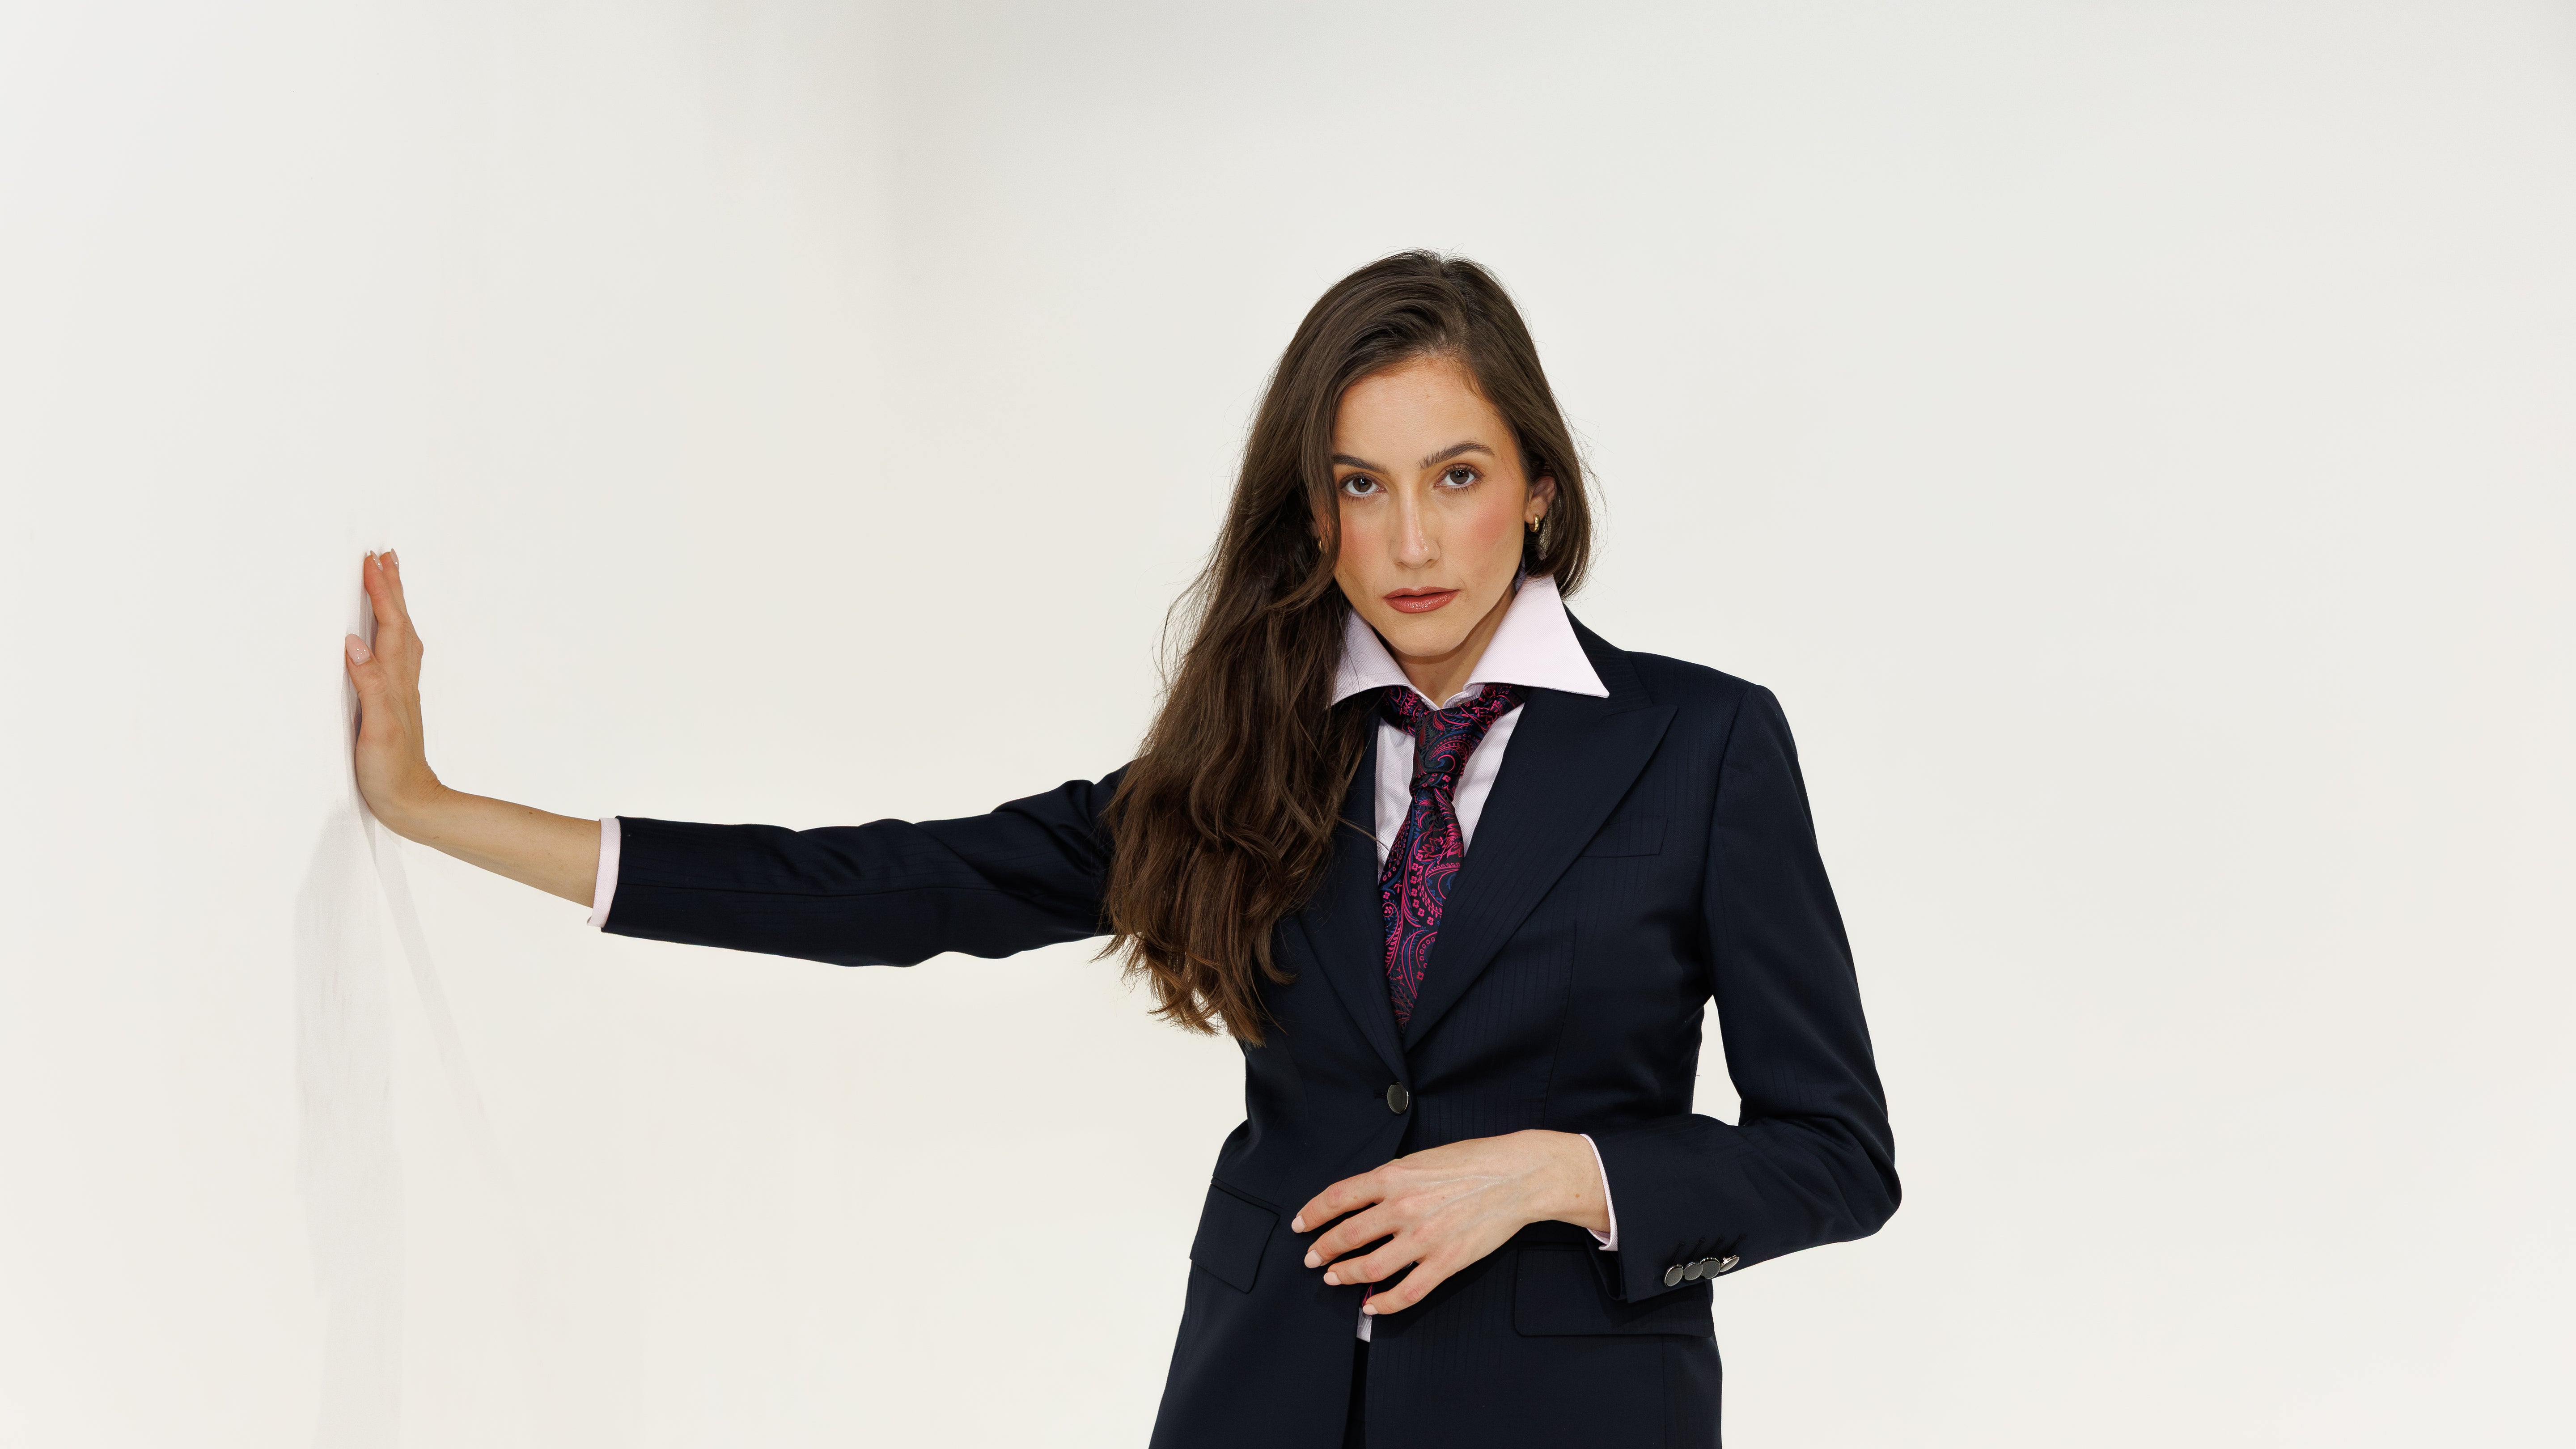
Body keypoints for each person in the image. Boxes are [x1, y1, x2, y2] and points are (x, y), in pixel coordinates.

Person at [343, 251, 1897, 1449]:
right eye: (1362, 487)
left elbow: (1837, 1155)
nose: (1413, 543)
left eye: (1459, 477)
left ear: (1538, 491)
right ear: (1315, 516)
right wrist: (434, 805)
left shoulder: (1703, 746)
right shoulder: (1253, 753)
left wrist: (1560, 1175)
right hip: (1259, 1400)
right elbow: (895, 886)